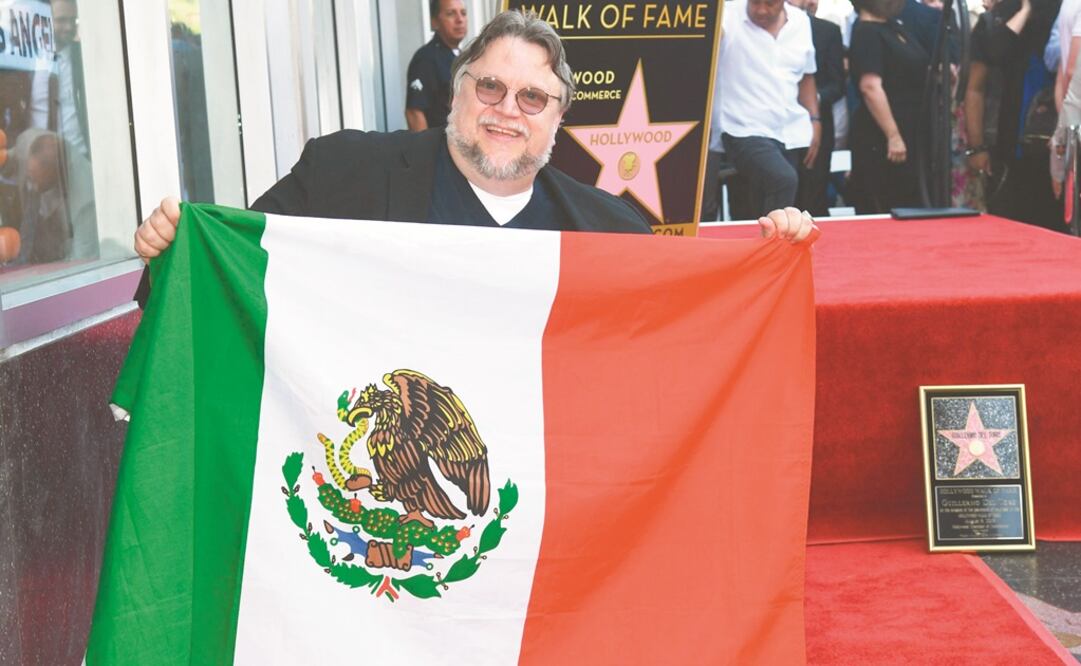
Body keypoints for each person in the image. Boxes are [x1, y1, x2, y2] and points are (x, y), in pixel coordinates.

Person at [134, 11, 817, 264]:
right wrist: (174, 249)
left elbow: (682, 330)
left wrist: (769, 256)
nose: (506, 111)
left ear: (557, 119)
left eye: (532, 98)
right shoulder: (342, 172)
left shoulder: (611, 232)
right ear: (455, 92)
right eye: (489, 86)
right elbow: (235, 268)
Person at [965, 0, 1062, 228]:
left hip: (1056, 151)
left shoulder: (1065, 14)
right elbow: (975, 88)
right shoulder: (994, 22)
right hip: (1006, 149)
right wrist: (977, 147)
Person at [848, 0, 930, 213]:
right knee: (889, 203)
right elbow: (870, 87)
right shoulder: (867, 32)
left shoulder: (894, 26)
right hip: (882, 133)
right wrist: (892, 135)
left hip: (912, 127)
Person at [789, 0, 845, 216]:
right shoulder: (759, 29)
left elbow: (837, 84)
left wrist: (812, 98)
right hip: (775, 127)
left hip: (817, 125)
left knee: (814, 195)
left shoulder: (827, 30)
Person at [405, 0, 468, 131]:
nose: (460, 19)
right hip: (441, 141)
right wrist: (425, 145)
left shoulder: (464, 56)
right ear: (434, 22)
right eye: (451, 13)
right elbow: (414, 113)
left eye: (463, 13)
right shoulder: (426, 58)